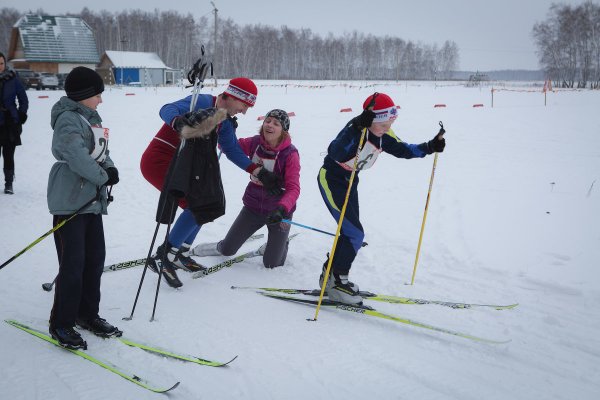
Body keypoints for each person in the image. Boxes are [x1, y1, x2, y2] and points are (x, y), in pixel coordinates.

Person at [140, 77, 283, 287]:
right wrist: (178, 121)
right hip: (160, 160)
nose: (244, 111)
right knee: (195, 204)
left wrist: (258, 172)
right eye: (244, 105)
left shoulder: (223, 120)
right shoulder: (203, 102)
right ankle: (164, 256)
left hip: (183, 166)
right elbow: (166, 109)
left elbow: (232, 149)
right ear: (233, 97)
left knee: (208, 202)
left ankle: (180, 252)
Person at [317, 92, 446, 305]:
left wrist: (430, 147)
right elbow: (335, 151)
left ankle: (331, 276)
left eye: (390, 125)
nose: (387, 130)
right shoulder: (355, 128)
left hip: (350, 181)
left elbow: (403, 149)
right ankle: (338, 281)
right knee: (354, 233)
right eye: (384, 125)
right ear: (371, 120)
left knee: (350, 233)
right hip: (331, 180)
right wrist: (357, 127)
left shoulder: (382, 133)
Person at [47, 67, 121, 349]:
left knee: (94, 261)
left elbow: (101, 151)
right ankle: (61, 324)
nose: (100, 100)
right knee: (72, 265)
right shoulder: (68, 119)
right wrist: (103, 177)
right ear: (84, 95)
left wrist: (110, 169)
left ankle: (87, 314)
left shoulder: (89, 119)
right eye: (98, 94)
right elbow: (76, 156)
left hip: (90, 202)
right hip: (70, 202)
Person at [192, 109, 300, 268]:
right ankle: (218, 246)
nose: (270, 125)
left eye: (276, 123)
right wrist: (227, 130)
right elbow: (227, 146)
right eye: (268, 121)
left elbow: (294, 188)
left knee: (272, 263)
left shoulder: (290, 154)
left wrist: (282, 209)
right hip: (253, 208)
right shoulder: (255, 143)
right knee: (227, 249)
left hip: (278, 213)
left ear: (283, 130)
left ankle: (281, 244)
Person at [0, 52, 28, 194]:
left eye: (1, 63)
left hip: (10, 124)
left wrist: (21, 115)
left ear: (5, 64)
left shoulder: (13, 79)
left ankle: (9, 184)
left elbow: (23, 99)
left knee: (8, 155)